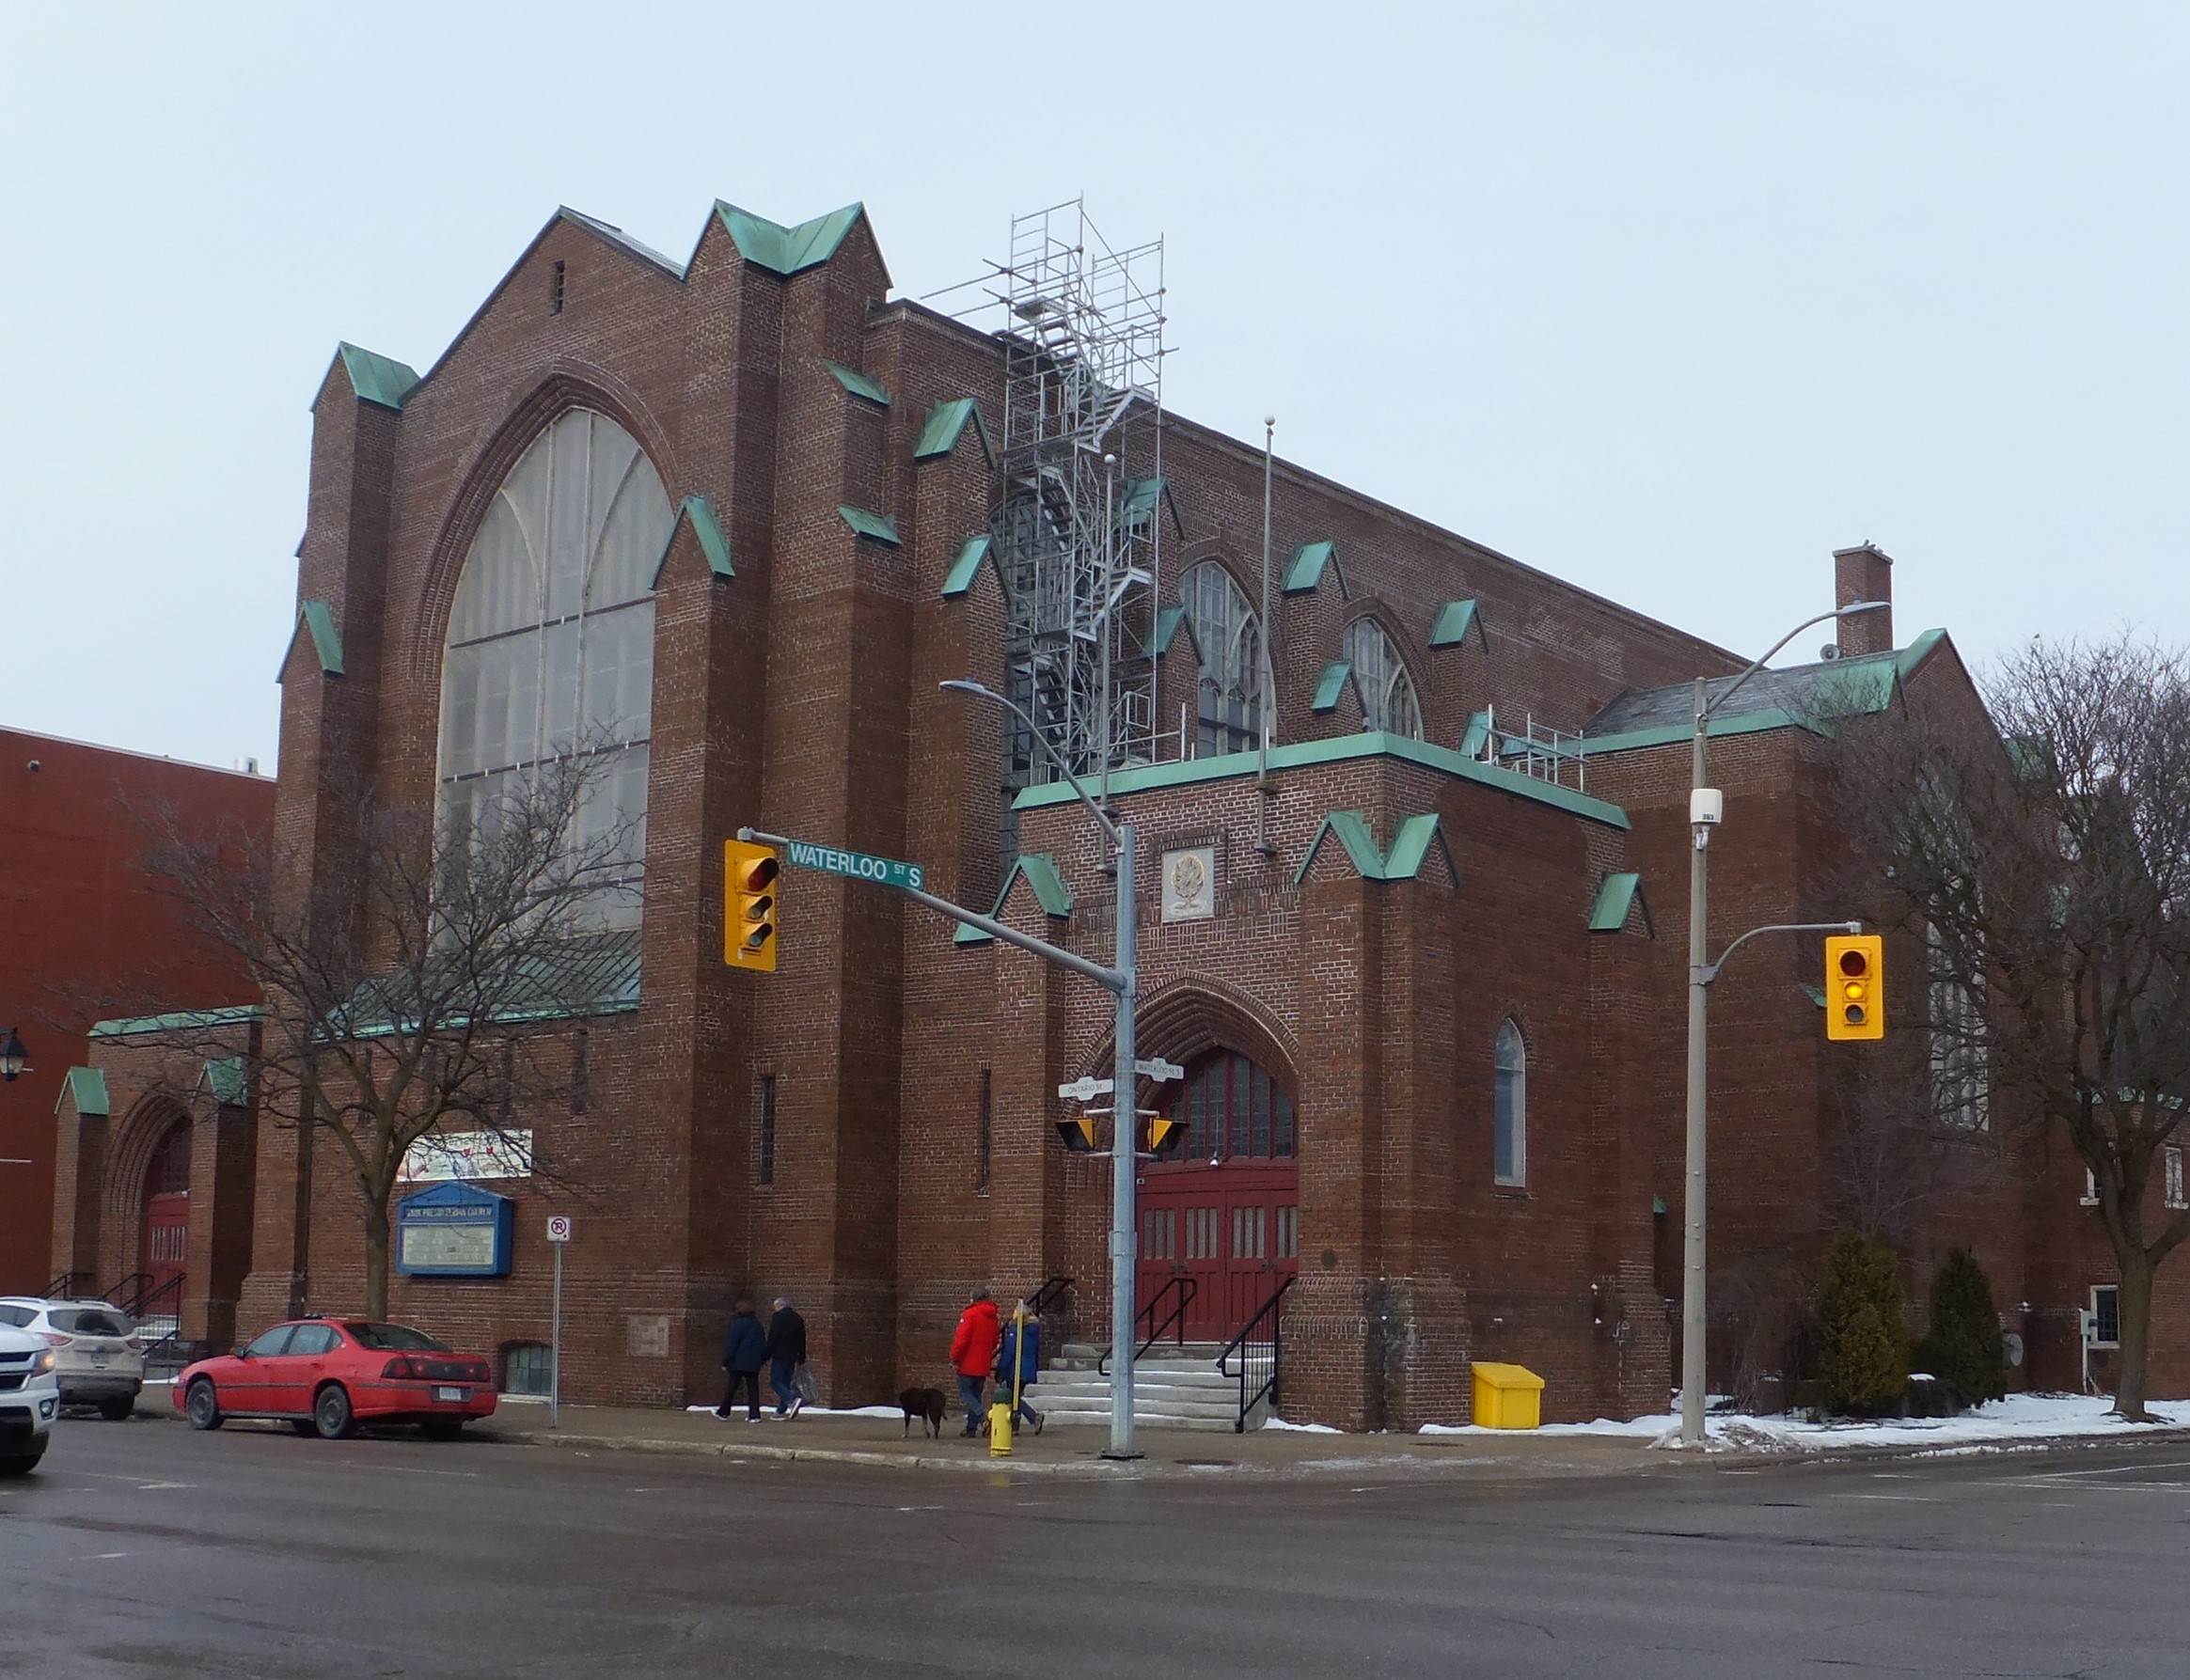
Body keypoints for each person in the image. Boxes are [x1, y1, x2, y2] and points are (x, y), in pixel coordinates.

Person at [948, 1287, 1000, 1437]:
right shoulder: (993, 1316)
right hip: (983, 1362)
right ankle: (971, 1428)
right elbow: (995, 1340)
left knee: (966, 1393)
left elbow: (961, 1340)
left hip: (967, 1363)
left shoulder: (970, 1314)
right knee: (976, 1395)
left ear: (974, 1298)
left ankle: (983, 1418)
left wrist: (954, 1357)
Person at [996, 1302, 1044, 1434]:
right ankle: (1015, 1426)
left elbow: (1010, 1352)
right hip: (1028, 1368)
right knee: (1015, 1397)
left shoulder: (1016, 1331)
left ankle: (1033, 1417)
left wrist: (1001, 1367)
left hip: (1015, 1369)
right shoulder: (1033, 1331)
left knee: (1012, 1397)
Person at [717, 1299, 766, 1421]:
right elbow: (762, 1343)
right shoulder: (757, 1324)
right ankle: (754, 1414)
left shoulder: (737, 1324)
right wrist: (761, 1359)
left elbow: (732, 1344)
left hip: (738, 1361)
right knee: (753, 1389)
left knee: (732, 1387)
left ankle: (724, 1411)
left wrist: (726, 1361)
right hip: (753, 1362)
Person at [764, 1295, 808, 1420]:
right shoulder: (797, 1318)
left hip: (780, 1354)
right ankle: (781, 1410)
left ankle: (792, 1400)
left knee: (775, 1380)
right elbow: (802, 1339)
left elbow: (773, 1337)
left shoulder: (778, 1317)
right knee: (786, 1382)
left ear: (779, 1305)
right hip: (793, 1355)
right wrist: (801, 1356)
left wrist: (766, 1355)